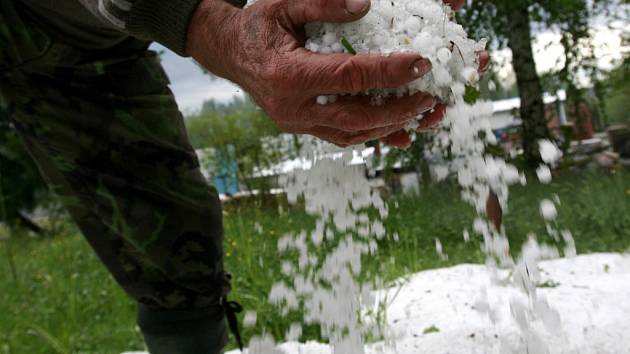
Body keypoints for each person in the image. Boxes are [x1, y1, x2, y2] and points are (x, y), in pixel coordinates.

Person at [0, 0, 488, 353]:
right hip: (34, 25)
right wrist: (205, 23)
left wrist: (395, 19)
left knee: (178, 245)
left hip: (102, 43)